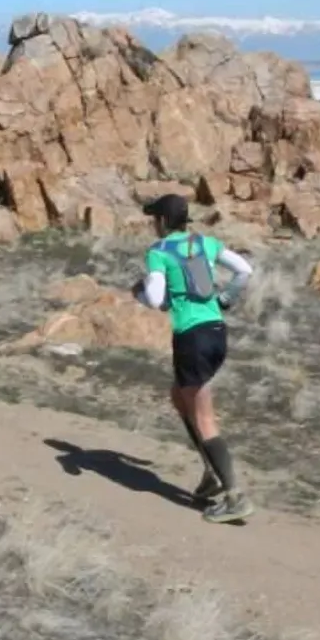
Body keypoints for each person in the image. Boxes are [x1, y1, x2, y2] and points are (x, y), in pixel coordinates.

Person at [133, 193, 255, 523]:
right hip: (216, 330)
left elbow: (157, 298)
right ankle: (211, 470)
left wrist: (142, 292)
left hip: (191, 337)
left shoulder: (159, 251)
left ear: (160, 221)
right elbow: (244, 270)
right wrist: (226, 298)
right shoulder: (205, 243)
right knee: (180, 395)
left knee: (204, 417)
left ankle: (233, 495)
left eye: (153, 219)